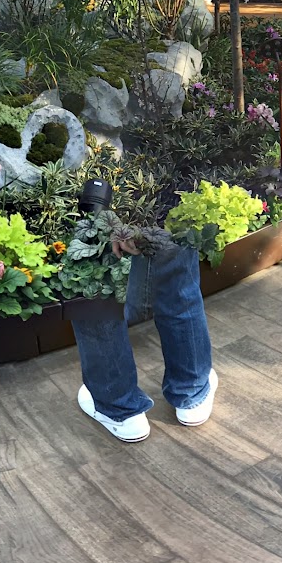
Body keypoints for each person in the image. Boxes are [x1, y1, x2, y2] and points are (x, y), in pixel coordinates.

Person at [74, 174, 215, 443]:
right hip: (156, 167)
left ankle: (120, 408)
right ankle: (191, 393)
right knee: (176, 270)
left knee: (94, 280)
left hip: (80, 172)